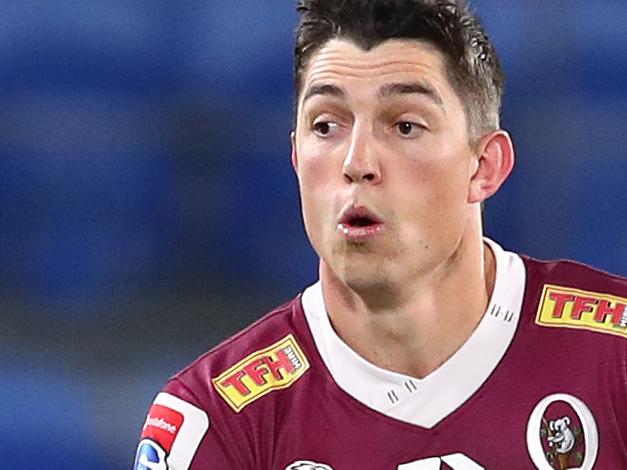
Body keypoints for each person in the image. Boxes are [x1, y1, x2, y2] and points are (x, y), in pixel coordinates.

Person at [133, 1, 627, 469]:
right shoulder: (218, 422)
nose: (356, 163)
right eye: (326, 126)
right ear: (295, 158)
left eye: (406, 126)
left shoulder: (614, 355)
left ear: (485, 166)